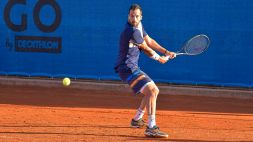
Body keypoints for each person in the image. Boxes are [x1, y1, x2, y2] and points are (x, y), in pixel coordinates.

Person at [114, 4, 176, 138]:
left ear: (141, 17)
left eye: (136, 16)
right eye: (131, 15)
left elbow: (149, 40)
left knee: (152, 91)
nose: (134, 18)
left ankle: (137, 119)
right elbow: (146, 48)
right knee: (152, 90)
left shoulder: (139, 27)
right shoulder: (131, 31)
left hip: (131, 66)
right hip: (126, 67)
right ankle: (151, 127)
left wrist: (166, 52)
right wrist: (160, 58)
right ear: (128, 15)